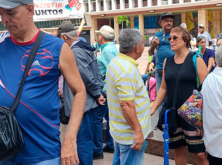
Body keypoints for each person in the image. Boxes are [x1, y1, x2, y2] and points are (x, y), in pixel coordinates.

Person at [0, 0, 86, 165]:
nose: (5, 20)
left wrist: (70, 139)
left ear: (30, 10)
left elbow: (79, 91)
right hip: (0, 149)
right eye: (1, 14)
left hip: (43, 152)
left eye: (11, 13)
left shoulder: (58, 48)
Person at [151, 27, 209, 165]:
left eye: (175, 38)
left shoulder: (196, 60)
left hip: (192, 116)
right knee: (178, 150)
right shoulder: (167, 61)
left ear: (185, 40)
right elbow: (164, 88)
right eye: (170, 38)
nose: (171, 41)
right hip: (173, 113)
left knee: (199, 153)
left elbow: (207, 89)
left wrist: (205, 119)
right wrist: (153, 108)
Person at [57, 22, 105, 165]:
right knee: (85, 141)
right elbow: (97, 75)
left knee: (83, 142)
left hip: (81, 105)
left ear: (65, 37)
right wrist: (98, 93)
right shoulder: (85, 48)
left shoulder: (74, 52)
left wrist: (97, 94)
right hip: (88, 103)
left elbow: (86, 77)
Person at [105, 29, 152, 165]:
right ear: (137, 47)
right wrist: (138, 132)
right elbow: (126, 105)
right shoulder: (126, 70)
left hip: (122, 132)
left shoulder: (116, 62)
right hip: (130, 136)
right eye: (143, 44)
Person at [94, 25, 118, 157]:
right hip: (107, 89)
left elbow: (112, 71)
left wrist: (107, 91)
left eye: (98, 35)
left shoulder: (108, 50)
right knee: (108, 118)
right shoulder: (109, 49)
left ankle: (97, 149)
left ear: (102, 37)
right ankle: (109, 145)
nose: (97, 37)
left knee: (97, 118)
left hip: (105, 90)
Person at [148, 12, 175, 114]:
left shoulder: (175, 34)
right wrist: (153, 45)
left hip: (173, 71)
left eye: (170, 21)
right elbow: (150, 53)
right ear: (160, 23)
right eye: (166, 21)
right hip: (160, 73)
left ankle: (173, 122)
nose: (169, 23)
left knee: (173, 97)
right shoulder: (157, 35)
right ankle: (162, 122)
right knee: (161, 98)